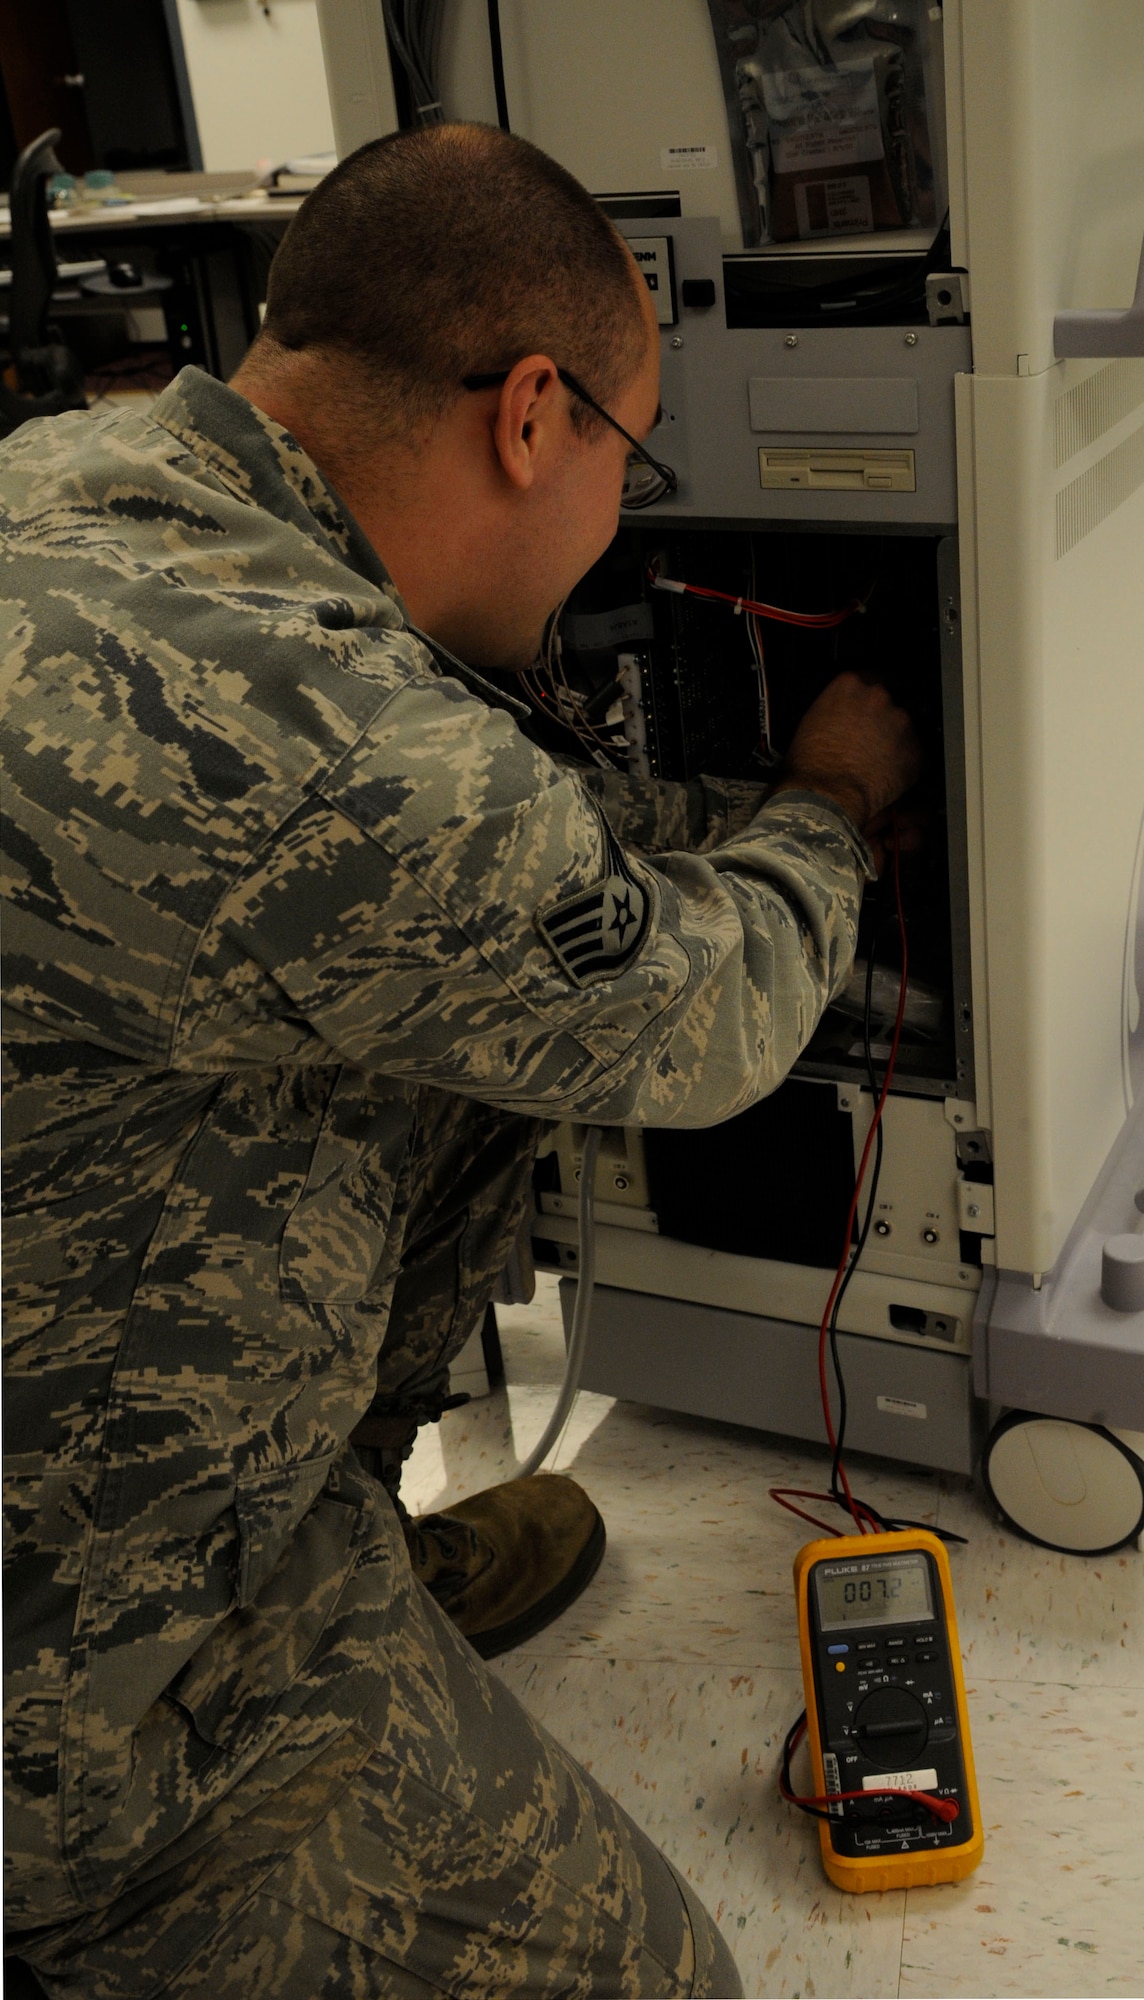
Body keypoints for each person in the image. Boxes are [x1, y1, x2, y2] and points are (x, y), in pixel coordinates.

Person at [1, 123, 920, 1997]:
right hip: (63, 1687)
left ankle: (342, 1534)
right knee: (668, 1984)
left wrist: (692, 813)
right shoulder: (326, 742)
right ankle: (158, 1784)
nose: (623, 518)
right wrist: (828, 805)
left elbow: (505, 867)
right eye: (629, 460)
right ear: (531, 418)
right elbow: (696, 1014)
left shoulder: (82, 485)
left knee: (445, 1052)